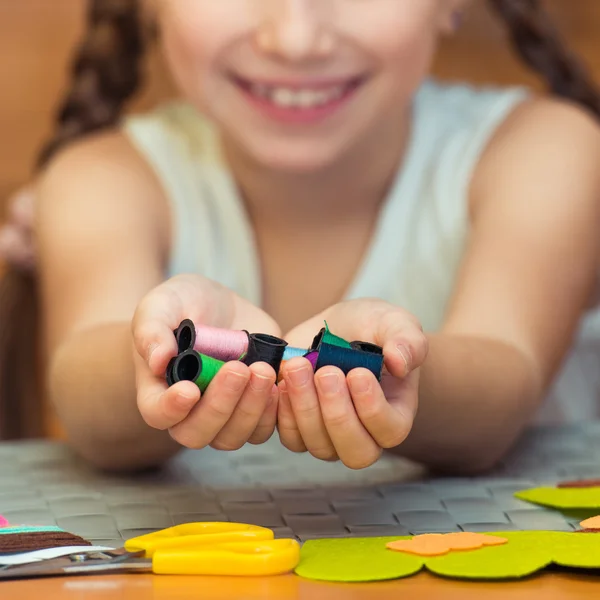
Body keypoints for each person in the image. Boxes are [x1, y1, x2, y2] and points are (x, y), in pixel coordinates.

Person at [2, 0, 600, 473]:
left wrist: (385, 368)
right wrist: (161, 353)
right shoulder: (101, 178)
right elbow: (82, 394)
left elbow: (503, 385)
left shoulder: (544, 154)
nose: (294, 38)